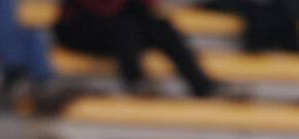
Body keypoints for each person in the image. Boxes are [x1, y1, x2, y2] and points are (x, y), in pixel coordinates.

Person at [54, 0, 220, 97]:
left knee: (161, 27)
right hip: (79, 28)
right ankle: (135, 82)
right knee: (124, 25)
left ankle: (202, 86)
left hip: (121, 27)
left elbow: (150, 7)